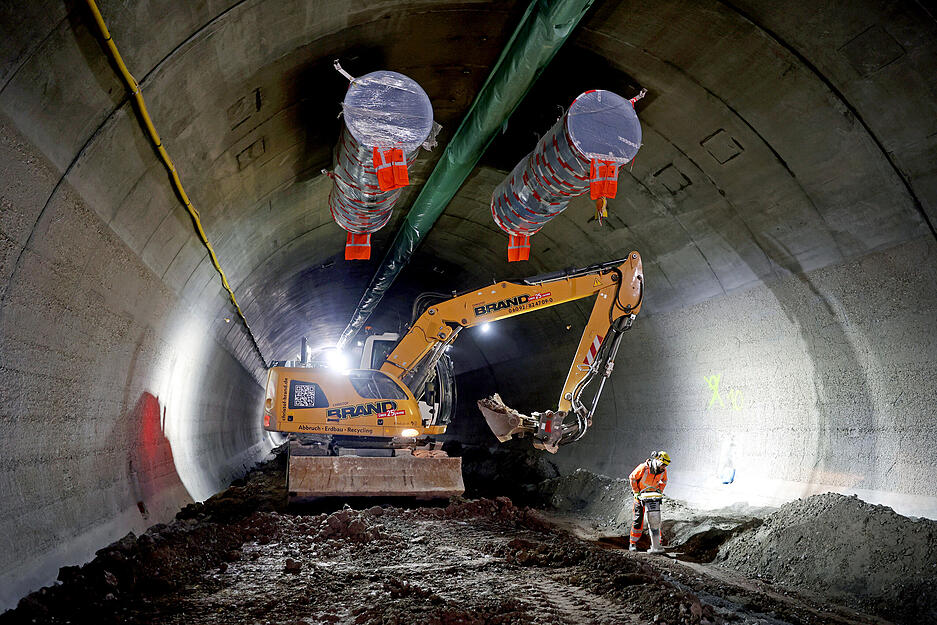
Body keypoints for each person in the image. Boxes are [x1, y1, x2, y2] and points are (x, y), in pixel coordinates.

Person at [629, 450, 671, 551]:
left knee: (655, 520)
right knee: (638, 520)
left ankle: (657, 542)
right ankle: (633, 543)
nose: (664, 467)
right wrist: (636, 492)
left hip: (653, 497)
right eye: (663, 465)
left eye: (665, 465)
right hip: (640, 496)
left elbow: (664, 481)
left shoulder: (663, 471)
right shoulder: (644, 468)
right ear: (658, 461)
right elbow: (632, 478)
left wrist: (659, 491)